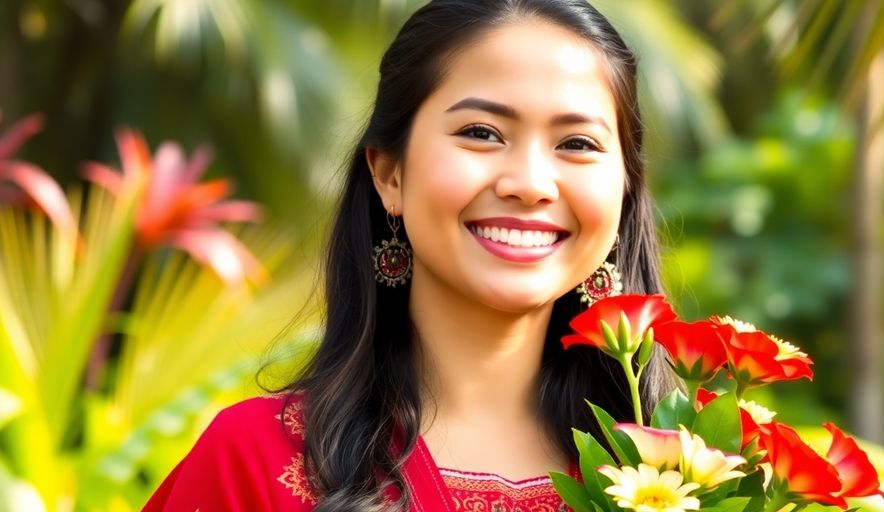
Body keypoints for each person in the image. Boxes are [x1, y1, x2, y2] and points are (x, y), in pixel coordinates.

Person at [142, 0, 675, 510]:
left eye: (577, 143)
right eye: (482, 133)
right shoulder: (254, 460)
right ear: (389, 174)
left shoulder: (690, 471)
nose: (531, 184)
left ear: (626, 188)